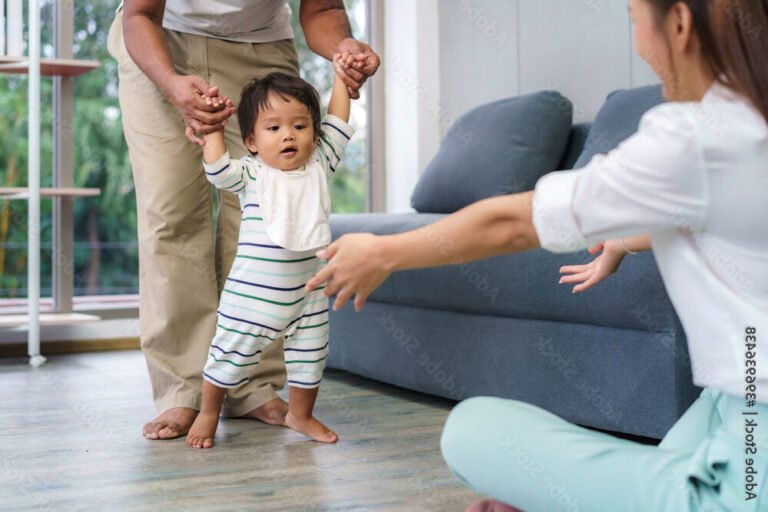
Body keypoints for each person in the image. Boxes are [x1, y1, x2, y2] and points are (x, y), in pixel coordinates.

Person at [305, 0, 768, 510]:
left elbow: (513, 224)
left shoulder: (696, 135)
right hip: (735, 402)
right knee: (693, 434)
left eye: (634, 18)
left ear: (678, 22)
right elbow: (719, 218)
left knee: (471, 429)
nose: (637, 38)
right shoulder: (744, 124)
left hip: (750, 459)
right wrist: (622, 238)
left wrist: (383, 252)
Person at [107, 0, 379, 441]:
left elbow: (323, 7)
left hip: (261, 44)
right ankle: (184, 390)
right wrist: (172, 84)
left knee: (256, 223)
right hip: (160, 38)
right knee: (172, 213)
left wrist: (344, 53)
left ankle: (251, 385)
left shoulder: (318, 154)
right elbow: (140, 14)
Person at [185, 66, 353, 449]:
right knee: (228, 356)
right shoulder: (252, 174)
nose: (288, 135)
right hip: (251, 299)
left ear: (314, 133)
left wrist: (342, 77)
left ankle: (301, 414)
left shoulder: (319, 165)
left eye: (299, 125)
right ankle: (209, 411)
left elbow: (339, 122)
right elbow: (217, 170)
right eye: (273, 128)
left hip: (308, 295)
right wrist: (212, 131)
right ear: (252, 141)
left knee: (311, 358)